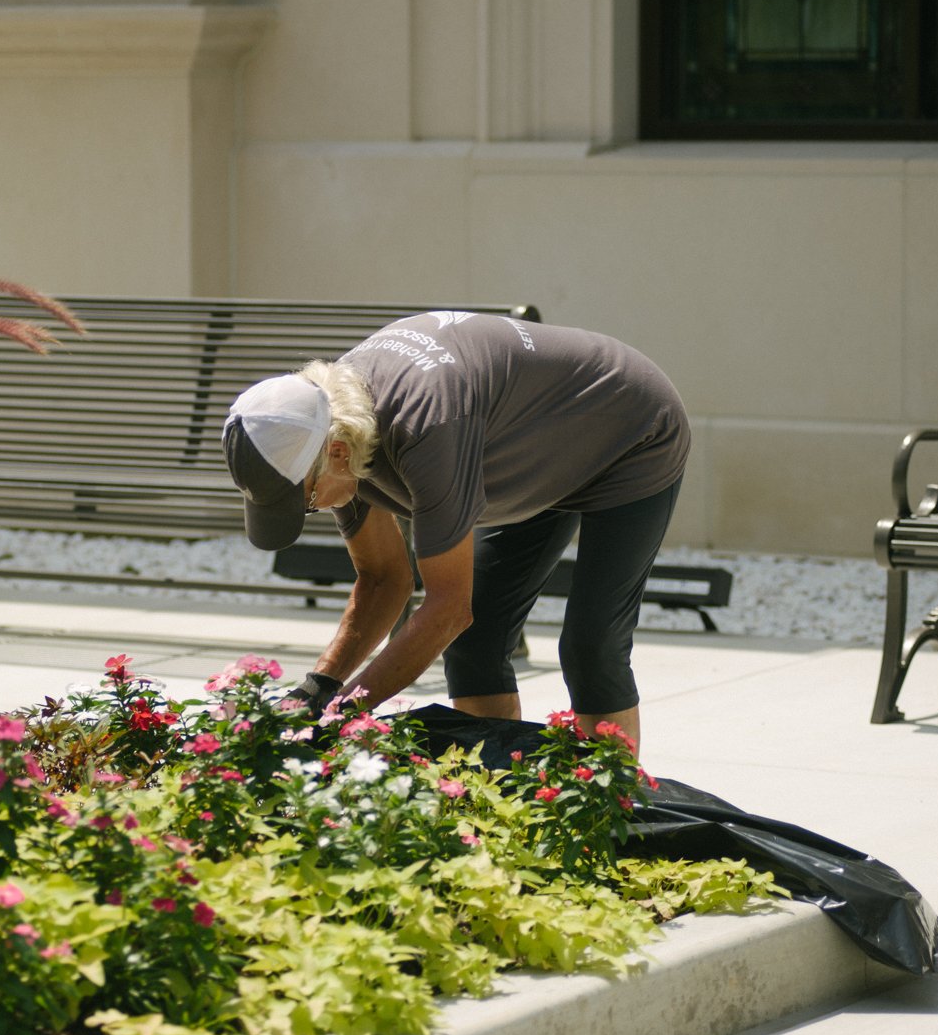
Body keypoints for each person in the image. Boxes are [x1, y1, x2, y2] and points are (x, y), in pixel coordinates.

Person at [220, 310, 688, 754]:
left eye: (306, 498)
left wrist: (344, 714)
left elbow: (447, 610)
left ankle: (610, 816)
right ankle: (498, 799)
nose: (315, 507)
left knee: (592, 646)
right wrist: (317, 688)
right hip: (529, 446)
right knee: (474, 646)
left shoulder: (426, 426)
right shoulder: (327, 425)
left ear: (338, 453)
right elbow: (384, 580)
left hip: (629, 431)